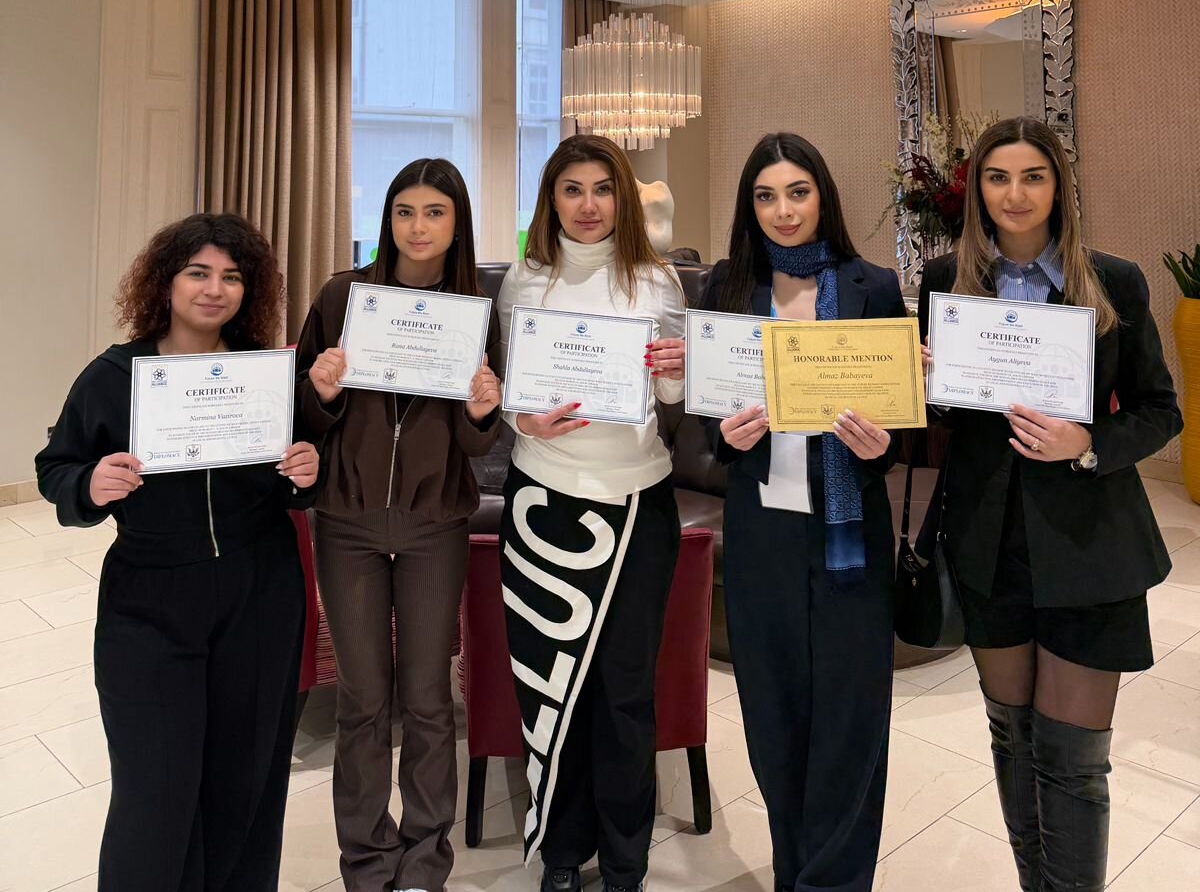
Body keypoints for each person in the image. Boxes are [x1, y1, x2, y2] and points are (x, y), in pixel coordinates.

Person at [917, 116, 1183, 892]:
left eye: (1033, 176)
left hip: (1088, 543)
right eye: (998, 177)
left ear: (1058, 187)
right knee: (1012, 739)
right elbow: (946, 418)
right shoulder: (945, 281)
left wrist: (1087, 442)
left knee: (1072, 760)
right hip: (986, 542)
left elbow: (1160, 410)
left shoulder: (1113, 280)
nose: (1016, 193)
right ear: (978, 191)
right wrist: (924, 383)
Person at [35, 212, 320, 892]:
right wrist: (88, 484)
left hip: (261, 589)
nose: (215, 289)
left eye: (232, 276)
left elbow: (299, 479)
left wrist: (308, 471)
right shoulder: (114, 375)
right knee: (155, 788)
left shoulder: (264, 377)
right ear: (165, 282)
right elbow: (56, 468)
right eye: (198, 273)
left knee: (247, 776)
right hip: (150, 597)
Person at [699, 132, 907, 892]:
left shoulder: (872, 287)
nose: (783, 211)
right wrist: (723, 437)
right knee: (774, 720)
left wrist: (882, 443)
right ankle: (794, 874)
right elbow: (705, 424)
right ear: (748, 206)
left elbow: (897, 432)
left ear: (823, 197)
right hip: (762, 533)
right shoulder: (725, 289)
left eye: (797, 192)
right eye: (766, 196)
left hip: (850, 536)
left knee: (850, 726)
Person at [296, 158, 501, 892]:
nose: (418, 227)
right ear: (387, 220)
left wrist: (480, 411)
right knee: (362, 700)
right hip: (346, 520)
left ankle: (423, 861)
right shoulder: (341, 296)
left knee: (426, 699)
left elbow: (479, 440)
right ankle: (365, 858)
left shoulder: (476, 310)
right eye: (405, 211)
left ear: (457, 223)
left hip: (434, 522)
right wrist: (322, 393)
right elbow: (303, 413)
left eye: (434, 212)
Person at [496, 134, 686, 892]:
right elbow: (509, 389)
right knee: (553, 689)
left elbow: (672, 396)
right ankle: (562, 853)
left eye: (603, 189)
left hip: (636, 503)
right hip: (542, 500)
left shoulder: (657, 280)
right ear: (551, 199)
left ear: (623, 199)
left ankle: (626, 861)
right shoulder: (524, 279)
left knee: (625, 692)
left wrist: (676, 369)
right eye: (571, 189)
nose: (587, 205)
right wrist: (520, 419)